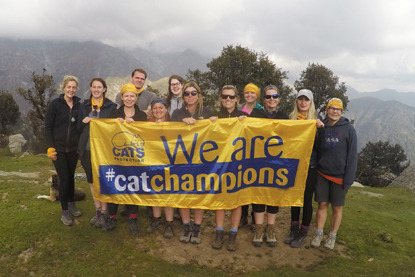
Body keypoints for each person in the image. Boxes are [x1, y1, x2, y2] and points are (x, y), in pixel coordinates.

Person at [311, 98, 358, 250]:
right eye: (332, 108)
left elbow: (352, 156)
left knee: (337, 208)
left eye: (338, 109)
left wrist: (348, 180)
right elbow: (317, 149)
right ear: (327, 109)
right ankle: (318, 233)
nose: (335, 111)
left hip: (340, 176)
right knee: (322, 204)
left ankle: (332, 236)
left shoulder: (348, 129)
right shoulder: (322, 127)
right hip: (322, 173)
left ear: (341, 111)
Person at [102, 83, 147, 235]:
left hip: (135, 159)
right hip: (117, 159)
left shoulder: (142, 116)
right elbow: (106, 132)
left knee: (134, 187)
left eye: (132, 96)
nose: (129, 99)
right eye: (126, 96)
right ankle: (112, 217)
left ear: (136, 98)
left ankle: (133, 217)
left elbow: (147, 136)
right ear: (122, 97)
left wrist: (136, 126)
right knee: (115, 186)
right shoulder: (115, 114)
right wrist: (116, 124)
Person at [171, 81, 213, 244]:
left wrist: (213, 121)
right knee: (184, 193)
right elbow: (170, 134)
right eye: (187, 93)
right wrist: (182, 123)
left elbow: (217, 132)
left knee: (199, 194)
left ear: (199, 95)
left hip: (202, 161)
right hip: (182, 159)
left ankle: (197, 228)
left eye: (193, 93)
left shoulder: (207, 112)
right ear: (183, 96)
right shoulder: (176, 113)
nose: (190, 96)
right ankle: (186, 226)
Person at [283, 89, 324, 248]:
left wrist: (320, 130)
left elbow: (320, 147)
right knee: (294, 197)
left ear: (311, 102)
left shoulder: (316, 120)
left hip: (310, 166)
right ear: (297, 101)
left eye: (306, 100)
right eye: (300, 99)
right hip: (294, 164)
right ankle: (293, 229)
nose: (303, 102)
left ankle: (303, 231)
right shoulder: (291, 119)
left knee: (306, 199)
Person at [250, 84, 288, 247]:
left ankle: (270, 228)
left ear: (278, 99)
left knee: (273, 195)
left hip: (277, 163)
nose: (271, 99)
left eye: (274, 96)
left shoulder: (285, 117)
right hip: (259, 161)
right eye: (268, 96)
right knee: (259, 194)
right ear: (263, 99)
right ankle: (258, 228)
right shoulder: (255, 114)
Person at [209, 85, 247, 251]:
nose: (228, 100)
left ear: (237, 99)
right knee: (219, 199)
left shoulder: (244, 117)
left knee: (236, 201)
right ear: (220, 98)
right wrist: (209, 125)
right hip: (219, 164)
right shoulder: (214, 117)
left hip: (237, 165)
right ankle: (219, 232)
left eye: (231, 97)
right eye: (225, 96)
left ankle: (233, 234)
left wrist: (245, 123)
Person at [78, 78, 116, 228]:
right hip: (87, 148)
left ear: (104, 89)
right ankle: (98, 210)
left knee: (103, 180)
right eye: (94, 87)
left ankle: (105, 212)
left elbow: (114, 128)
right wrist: (83, 121)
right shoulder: (84, 106)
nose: (96, 89)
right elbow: (77, 128)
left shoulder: (111, 106)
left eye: (99, 87)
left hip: (104, 150)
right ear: (90, 89)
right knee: (92, 181)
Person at [45, 75, 81, 226]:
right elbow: (48, 127)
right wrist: (50, 147)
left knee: (71, 176)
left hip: (73, 149)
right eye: (69, 87)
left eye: (74, 87)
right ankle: (65, 211)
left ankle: (72, 202)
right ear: (64, 87)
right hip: (58, 149)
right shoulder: (55, 104)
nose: (71, 90)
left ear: (76, 89)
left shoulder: (80, 104)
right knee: (64, 178)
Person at [146, 97, 175, 239]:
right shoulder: (146, 124)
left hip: (169, 163)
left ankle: (169, 223)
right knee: (155, 191)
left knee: (168, 192)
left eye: (160, 108)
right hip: (152, 163)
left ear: (166, 109)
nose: (158, 110)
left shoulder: (173, 124)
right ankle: (156, 219)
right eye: (155, 108)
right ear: (152, 110)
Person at [238, 83, 262, 229]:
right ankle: (242, 216)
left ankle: (255, 216)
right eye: (247, 93)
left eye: (252, 93)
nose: (249, 95)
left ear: (256, 95)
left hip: (258, 153)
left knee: (255, 185)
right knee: (241, 184)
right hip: (241, 153)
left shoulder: (261, 111)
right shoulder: (239, 109)